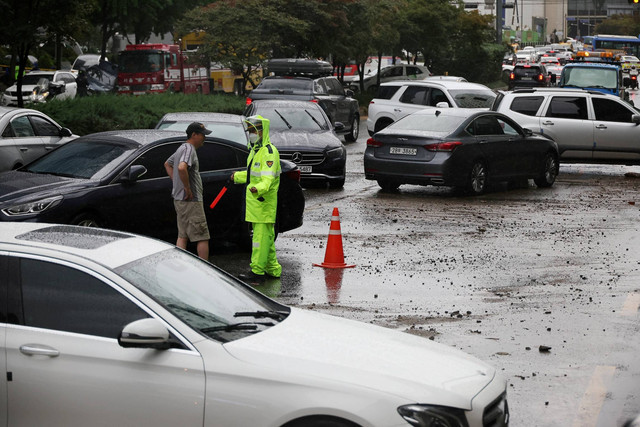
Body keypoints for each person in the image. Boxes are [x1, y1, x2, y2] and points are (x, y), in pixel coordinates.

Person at [231, 115, 282, 283]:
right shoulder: (255, 150)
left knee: (259, 240)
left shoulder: (268, 153)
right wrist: (236, 177)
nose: (251, 133)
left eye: (253, 130)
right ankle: (273, 269)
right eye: (249, 130)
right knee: (266, 238)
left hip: (263, 203)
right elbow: (252, 175)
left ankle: (257, 273)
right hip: (257, 204)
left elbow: (266, 181)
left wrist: (257, 189)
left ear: (262, 131)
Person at [164, 122, 212, 260]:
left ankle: (181, 263)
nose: (204, 138)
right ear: (194, 135)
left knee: (182, 236)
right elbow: (181, 167)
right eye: (203, 135)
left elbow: (167, 163)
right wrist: (187, 188)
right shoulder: (189, 149)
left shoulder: (181, 148)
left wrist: (177, 182)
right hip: (192, 200)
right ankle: (206, 269)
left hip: (180, 200)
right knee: (202, 236)